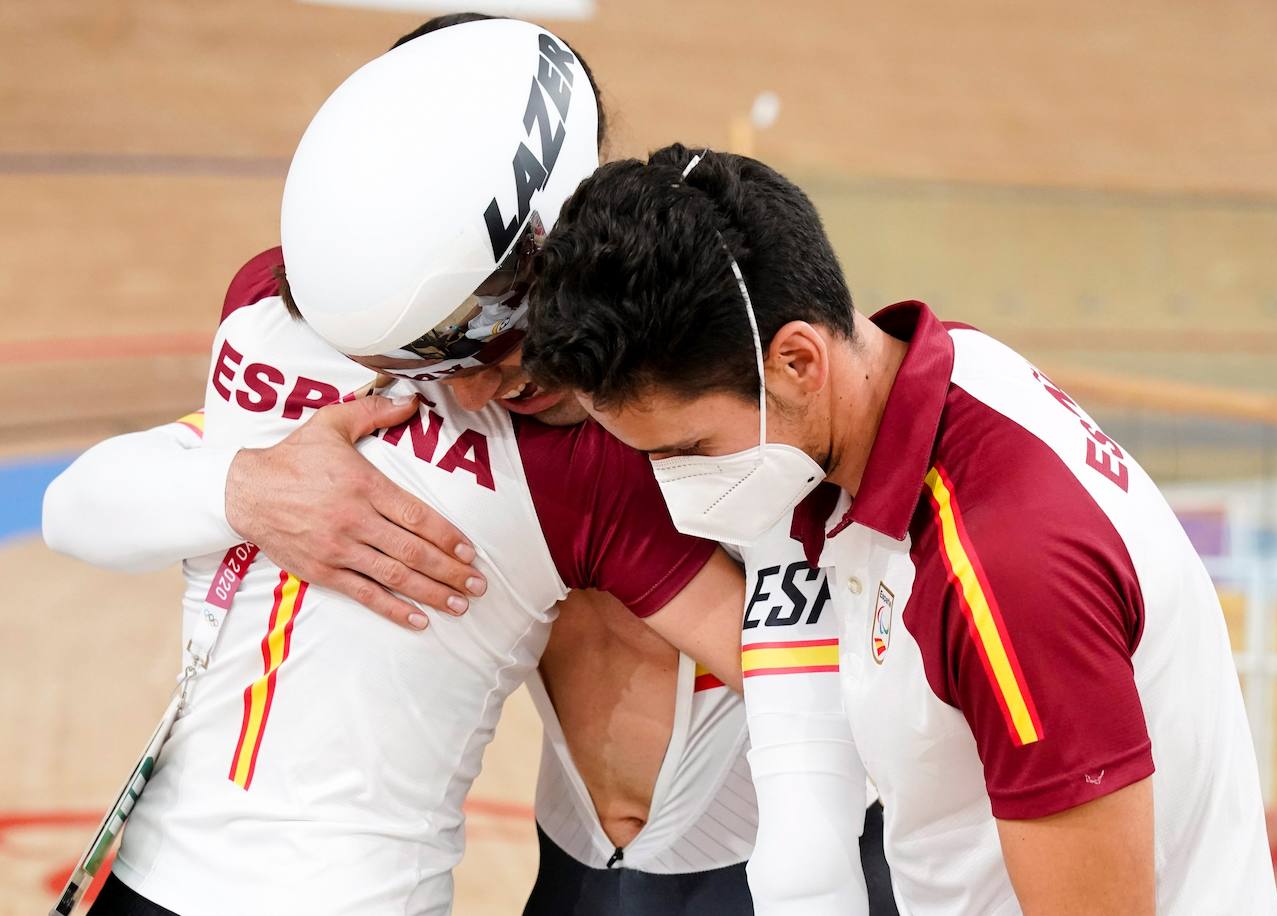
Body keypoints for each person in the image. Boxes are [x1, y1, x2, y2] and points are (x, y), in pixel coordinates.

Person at [45, 18, 899, 915]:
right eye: (451, 360)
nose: (494, 385)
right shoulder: (291, 321)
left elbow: (818, 669)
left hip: (688, 858)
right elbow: (89, 502)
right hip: (547, 858)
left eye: (522, 334)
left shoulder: (635, 421)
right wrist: (242, 486)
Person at [518, 144, 1277, 915]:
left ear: (796, 362)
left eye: (687, 451)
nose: (673, 486)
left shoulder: (1001, 571)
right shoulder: (919, 393)